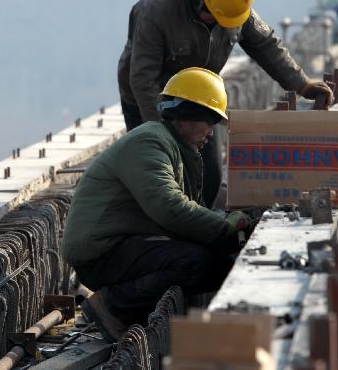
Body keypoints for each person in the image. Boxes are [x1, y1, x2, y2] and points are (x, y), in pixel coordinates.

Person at [117, 0, 334, 207]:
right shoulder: (157, 11)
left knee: (208, 176)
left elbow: (265, 45)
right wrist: (160, 133)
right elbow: (143, 80)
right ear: (202, 3)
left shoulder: (233, 7)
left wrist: (302, 84)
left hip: (198, 99)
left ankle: (197, 229)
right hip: (151, 98)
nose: (223, 26)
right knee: (156, 174)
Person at [63, 67, 252, 341]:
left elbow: (187, 211)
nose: (211, 133)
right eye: (209, 122)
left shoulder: (174, 148)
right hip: (102, 254)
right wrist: (223, 226)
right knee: (195, 262)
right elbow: (170, 207)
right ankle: (112, 307)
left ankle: (135, 310)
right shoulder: (149, 143)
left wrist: (224, 233)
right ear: (186, 116)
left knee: (219, 264)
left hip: (126, 245)